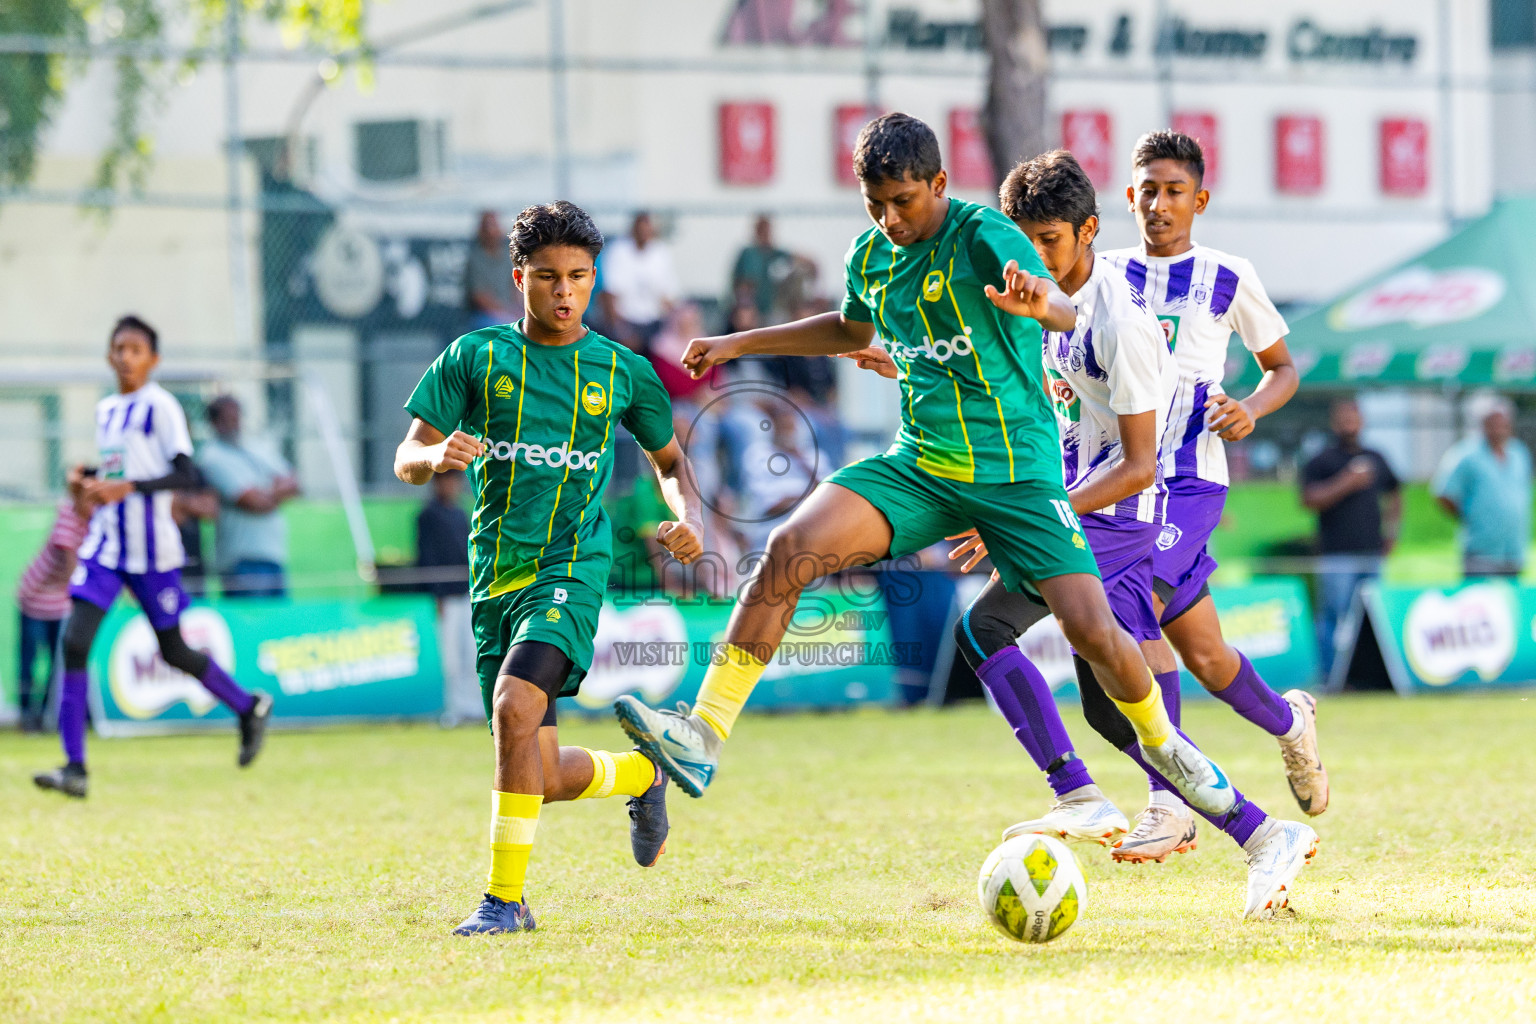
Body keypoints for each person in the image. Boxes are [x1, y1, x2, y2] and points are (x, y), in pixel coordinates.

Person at [614, 113, 1267, 901]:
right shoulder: (870, 256)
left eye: (903, 201)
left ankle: (1171, 753)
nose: (890, 218)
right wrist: (738, 344)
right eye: (875, 203)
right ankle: (702, 734)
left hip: (1017, 476)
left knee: (1094, 634)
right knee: (788, 550)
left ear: (939, 185)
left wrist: (1041, 303)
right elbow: (848, 327)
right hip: (921, 465)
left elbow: (1064, 311)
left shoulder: (985, 235)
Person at [849, 150, 1317, 918]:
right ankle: (1262, 833)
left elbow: (1139, 466)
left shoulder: (1120, 322)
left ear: (1087, 232)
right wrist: (900, 363)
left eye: (1049, 242)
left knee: (993, 628)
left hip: (1127, 513)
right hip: (1071, 504)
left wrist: (1041, 516)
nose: (1031, 259)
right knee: (1109, 704)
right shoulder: (1024, 302)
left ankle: (1098, 797)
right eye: (1022, 241)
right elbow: (1014, 390)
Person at [393, 201, 705, 936]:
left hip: (571, 568)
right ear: (519, 278)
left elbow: (669, 462)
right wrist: (434, 456)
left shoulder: (622, 370)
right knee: (539, 771)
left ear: (595, 278)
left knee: (512, 706)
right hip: (494, 577)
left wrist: (687, 516)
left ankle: (505, 903)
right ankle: (644, 774)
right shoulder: (475, 357)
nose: (564, 292)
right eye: (547, 277)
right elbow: (407, 455)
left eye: (578, 276)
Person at [1095, 131, 1327, 852]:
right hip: (1119, 475)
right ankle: (1291, 722)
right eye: (1148, 191)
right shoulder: (1103, 273)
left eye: (1174, 192)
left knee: (1135, 610)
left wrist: (1251, 408)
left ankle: (1170, 802)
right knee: (1206, 656)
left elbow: (1282, 368)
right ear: (1129, 197)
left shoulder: (1227, 275)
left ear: (1198, 200)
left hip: (1190, 478)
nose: (1159, 205)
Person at [32, 316, 273, 799]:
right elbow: (119, 471)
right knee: (74, 644)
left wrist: (129, 487)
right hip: (107, 547)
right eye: (119, 348)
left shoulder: (161, 407)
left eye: (135, 349)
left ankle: (248, 707)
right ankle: (74, 767)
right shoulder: (106, 411)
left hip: (153, 552)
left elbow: (186, 475)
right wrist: (87, 479)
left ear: (153, 359)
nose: (125, 357)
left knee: (174, 650)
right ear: (109, 355)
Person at [1301, 397, 1402, 676]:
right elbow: (1309, 499)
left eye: (1353, 418)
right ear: (1334, 423)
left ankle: (1368, 675)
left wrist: (1392, 532)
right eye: (1343, 418)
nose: (1349, 424)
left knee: (1374, 620)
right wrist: (1347, 482)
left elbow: (1395, 492)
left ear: (1362, 421)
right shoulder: (1322, 460)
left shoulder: (1376, 457)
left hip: (1372, 553)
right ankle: (1330, 676)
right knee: (1333, 617)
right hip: (1336, 555)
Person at [198, 395, 300, 599]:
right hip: (241, 559)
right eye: (228, 418)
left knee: (278, 618)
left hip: (273, 554)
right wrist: (275, 489)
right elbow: (254, 502)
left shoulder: (257, 447)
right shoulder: (212, 456)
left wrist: (266, 493)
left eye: (237, 417)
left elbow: (295, 484)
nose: (235, 423)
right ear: (214, 422)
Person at [14, 469, 91, 732]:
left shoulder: (93, 520)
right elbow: (72, 569)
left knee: (56, 663)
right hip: (34, 598)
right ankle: (27, 715)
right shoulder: (67, 518)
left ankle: (48, 716)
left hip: (60, 601)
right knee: (30, 661)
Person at [1433, 392, 1532, 579]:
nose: (1498, 428)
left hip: (1514, 550)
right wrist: (1470, 515)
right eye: (1493, 422)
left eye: (1502, 422)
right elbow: (1443, 493)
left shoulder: (1519, 452)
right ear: (1483, 424)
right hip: (1481, 551)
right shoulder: (1466, 454)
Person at [416, 469, 482, 725]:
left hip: (467, 594)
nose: (450, 487)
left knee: (472, 654)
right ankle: (455, 708)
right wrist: (437, 595)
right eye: (445, 482)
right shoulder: (427, 515)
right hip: (446, 597)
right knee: (451, 658)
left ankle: (474, 707)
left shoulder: (461, 513)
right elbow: (427, 557)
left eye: (454, 482)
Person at [598, 211, 679, 352]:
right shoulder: (618, 251)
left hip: (654, 325)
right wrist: (621, 331)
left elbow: (668, 296)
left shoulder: (660, 253)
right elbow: (609, 296)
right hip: (627, 324)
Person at [731, 214, 795, 324]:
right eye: (763, 230)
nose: (767, 234)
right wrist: (747, 308)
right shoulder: (749, 254)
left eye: (768, 230)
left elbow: (796, 258)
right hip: (751, 310)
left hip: (770, 310)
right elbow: (744, 284)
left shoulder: (775, 254)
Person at [467, 210, 522, 329]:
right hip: (485, 316)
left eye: (494, 226)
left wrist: (518, 310)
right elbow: (478, 296)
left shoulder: (508, 255)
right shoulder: (475, 259)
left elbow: (516, 287)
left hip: (510, 311)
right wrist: (504, 313)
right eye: (487, 227)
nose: (491, 231)